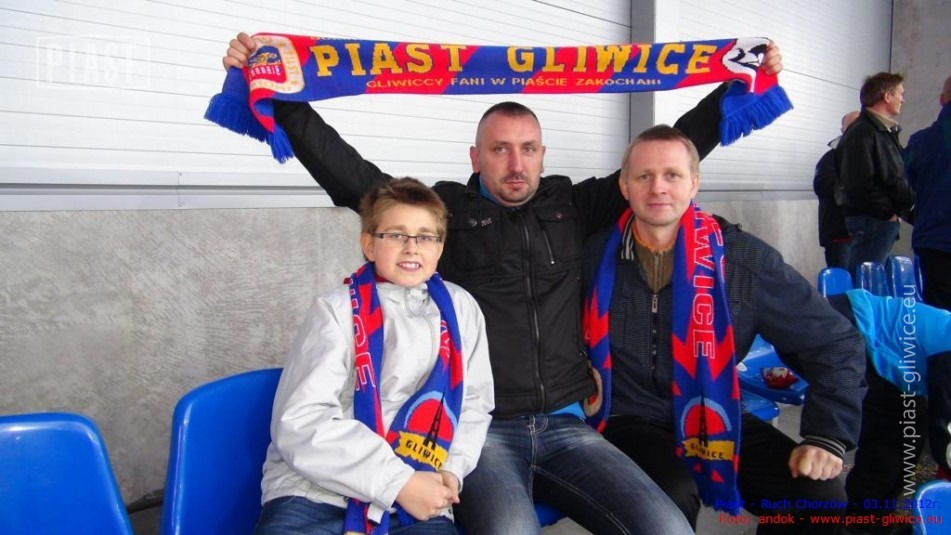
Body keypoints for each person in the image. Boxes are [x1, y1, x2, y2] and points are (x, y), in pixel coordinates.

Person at [224, 31, 783, 535]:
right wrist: (280, 95)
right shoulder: (446, 215)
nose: (516, 164)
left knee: (665, 527)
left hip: (568, 424)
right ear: (476, 157)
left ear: (542, 155)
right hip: (481, 432)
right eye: (499, 150)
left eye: (528, 149)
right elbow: (357, 180)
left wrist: (736, 81)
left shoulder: (574, 205)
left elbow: (662, 158)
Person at [584, 125, 867, 532]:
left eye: (672, 175)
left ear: (694, 183)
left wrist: (827, 434)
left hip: (715, 411)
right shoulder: (592, 257)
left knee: (819, 498)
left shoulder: (742, 260)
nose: (658, 187)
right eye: (644, 176)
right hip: (627, 417)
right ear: (625, 186)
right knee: (670, 495)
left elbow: (833, 342)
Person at [255, 178, 494, 535]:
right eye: (396, 235)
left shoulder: (462, 309)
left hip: (418, 492)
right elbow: (301, 420)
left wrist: (450, 471)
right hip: (317, 494)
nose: (412, 248)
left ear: (440, 247)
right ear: (368, 244)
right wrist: (397, 482)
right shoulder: (335, 311)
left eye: (426, 237)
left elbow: (473, 403)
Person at [825, 289, 951, 532]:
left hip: (858, 326)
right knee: (893, 442)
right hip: (848, 327)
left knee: (904, 441)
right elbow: (944, 435)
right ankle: (859, 526)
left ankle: (871, 521)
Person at [835, 72, 915, 275]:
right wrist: (887, 213)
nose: (903, 100)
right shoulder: (864, 131)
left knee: (870, 279)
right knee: (865, 281)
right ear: (887, 96)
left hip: (877, 219)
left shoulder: (880, 131)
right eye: (900, 93)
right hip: (873, 219)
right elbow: (859, 184)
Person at [904, 74, 951, 310]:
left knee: (939, 315)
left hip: (935, 244)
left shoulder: (921, 142)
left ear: (942, 100)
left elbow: (905, 184)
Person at [813, 111, 859, 269]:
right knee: (843, 282)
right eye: (852, 125)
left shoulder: (873, 153)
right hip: (841, 236)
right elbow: (823, 185)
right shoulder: (830, 158)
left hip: (869, 235)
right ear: (842, 130)